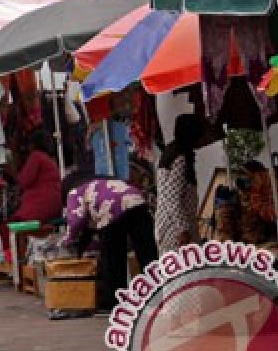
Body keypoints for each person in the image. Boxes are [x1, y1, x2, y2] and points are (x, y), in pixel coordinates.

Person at [63, 175, 158, 311]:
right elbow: (88, 228)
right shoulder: (99, 184)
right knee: (147, 253)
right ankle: (157, 294)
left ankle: (114, 302)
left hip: (112, 210)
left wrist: (68, 239)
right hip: (137, 202)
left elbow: (75, 221)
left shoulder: (73, 193)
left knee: (113, 259)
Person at [155, 114, 203, 254]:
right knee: (184, 272)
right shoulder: (179, 158)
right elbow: (172, 199)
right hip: (175, 230)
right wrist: (183, 229)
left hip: (174, 226)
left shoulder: (171, 153)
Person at [10, 130, 63, 223]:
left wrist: (11, 170)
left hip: (41, 205)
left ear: (34, 144)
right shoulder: (50, 159)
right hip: (54, 204)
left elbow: (24, 181)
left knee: (11, 226)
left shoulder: (36, 156)